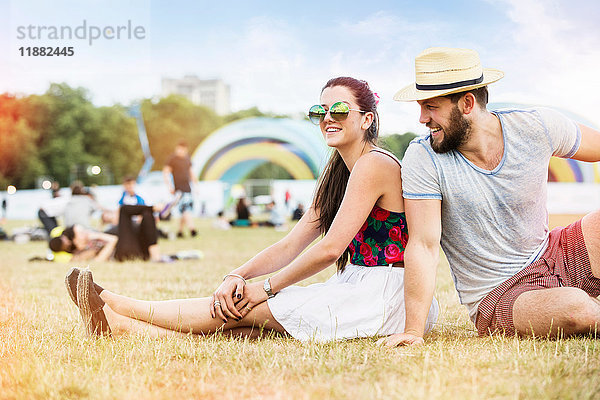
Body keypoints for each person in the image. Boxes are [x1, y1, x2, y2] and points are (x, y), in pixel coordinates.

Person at [65, 76, 439, 340]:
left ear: (366, 118)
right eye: (319, 110)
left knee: (244, 309)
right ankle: (120, 326)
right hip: (359, 288)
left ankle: (111, 301)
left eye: (339, 110)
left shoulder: (375, 164)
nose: (328, 118)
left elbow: (329, 249)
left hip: (386, 296)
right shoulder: (339, 172)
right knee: (245, 326)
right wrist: (236, 274)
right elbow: (292, 243)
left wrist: (265, 288)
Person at [382, 47, 600, 347]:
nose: (422, 118)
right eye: (421, 107)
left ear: (467, 103)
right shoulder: (422, 157)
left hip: (553, 253)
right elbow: (423, 245)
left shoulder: (535, 125)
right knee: (579, 309)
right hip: (498, 293)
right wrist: (413, 332)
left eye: (431, 107)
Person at [50, 205, 167, 262]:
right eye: (80, 233)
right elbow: (113, 241)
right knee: (124, 210)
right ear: (74, 241)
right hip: (123, 253)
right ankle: (157, 208)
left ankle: (155, 255)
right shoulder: (84, 252)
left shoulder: (90, 240)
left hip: (136, 248)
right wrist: (97, 236)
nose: (84, 232)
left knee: (146, 214)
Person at [163, 141, 198, 238]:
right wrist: (169, 186)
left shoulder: (187, 159)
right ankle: (192, 229)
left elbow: (191, 173)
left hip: (188, 188)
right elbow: (165, 173)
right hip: (178, 189)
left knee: (184, 210)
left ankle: (180, 231)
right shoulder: (172, 159)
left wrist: (196, 186)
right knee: (186, 209)